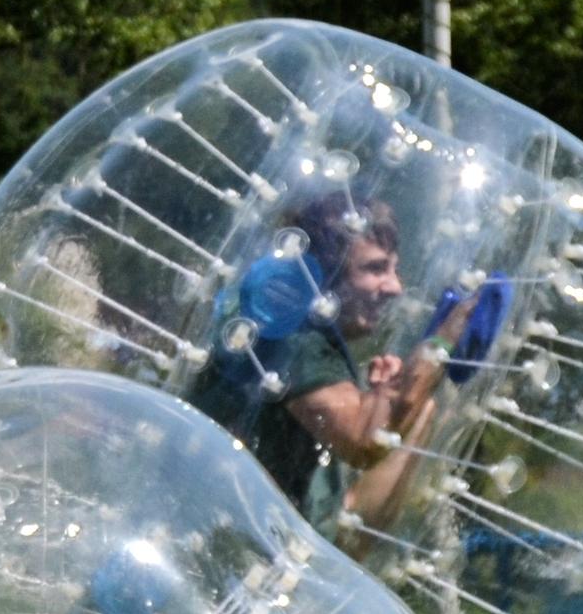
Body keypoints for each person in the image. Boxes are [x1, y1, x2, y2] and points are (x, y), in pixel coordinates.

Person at [201, 194, 481, 535]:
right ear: (323, 274)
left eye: (394, 268)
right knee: (410, 407)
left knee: (420, 410)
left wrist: (387, 395)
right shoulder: (290, 334)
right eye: (376, 268)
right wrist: (443, 341)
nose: (396, 287)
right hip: (217, 527)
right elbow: (366, 440)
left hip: (258, 523)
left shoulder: (292, 321)